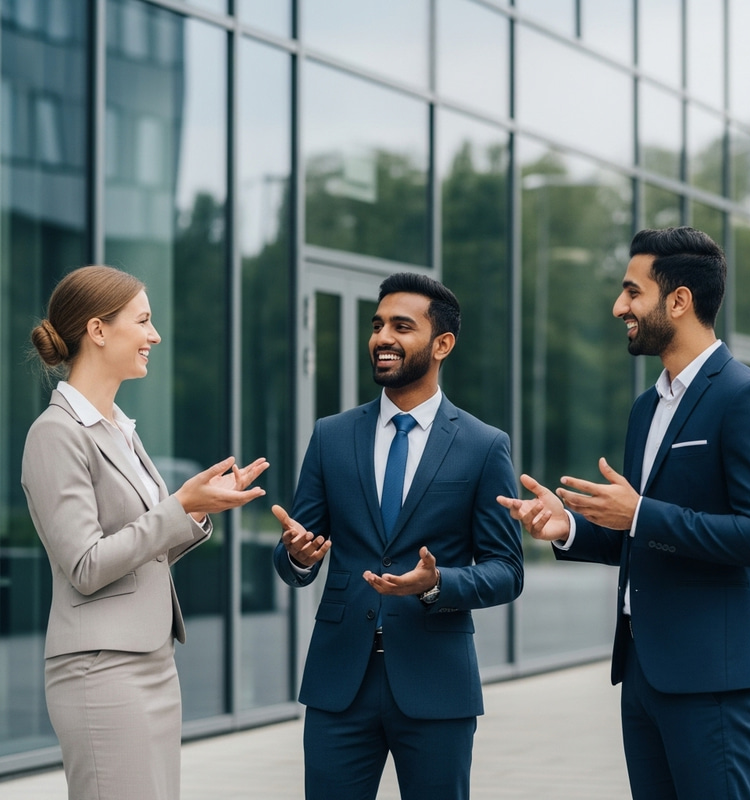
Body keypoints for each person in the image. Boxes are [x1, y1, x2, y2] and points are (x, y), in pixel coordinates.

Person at [498, 226, 750, 800]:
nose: (619, 307)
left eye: (633, 292)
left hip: (712, 679)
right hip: (642, 673)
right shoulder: (646, 409)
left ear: (679, 300)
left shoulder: (748, 398)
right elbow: (640, 533)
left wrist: (640, 514)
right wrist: (570, 528)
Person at [272, 272, 523, 800]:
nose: (382, 337)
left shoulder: (483, 446)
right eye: (377, 325)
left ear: (442, 344)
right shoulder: (331, 435)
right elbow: (296, 552)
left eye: (401, 326)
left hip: (437, 682)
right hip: (339, 680)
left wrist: (437, 584)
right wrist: (298, 557)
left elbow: (507, 570)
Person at [21, 265, 269, 800]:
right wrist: (179, 505)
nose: (154, 336)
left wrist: (197, 511)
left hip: (152, 661)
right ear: (98, 330)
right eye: (143, 321)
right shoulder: (55, 434)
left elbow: (139, 555)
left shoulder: (120, 429)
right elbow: (86, 565)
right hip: (101, 670)